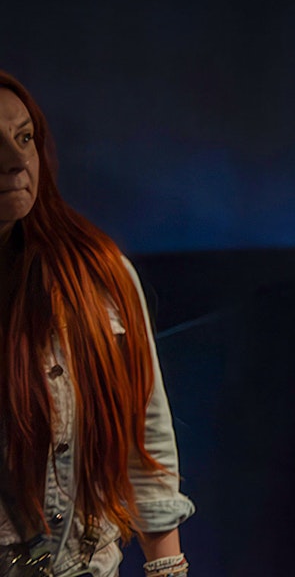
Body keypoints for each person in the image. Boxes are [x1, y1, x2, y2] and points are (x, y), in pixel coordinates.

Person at [0, 72, 193, 576]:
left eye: (24, 138)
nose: (17, 161)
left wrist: (167, 568)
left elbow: (145, 429)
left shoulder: (97, 273)